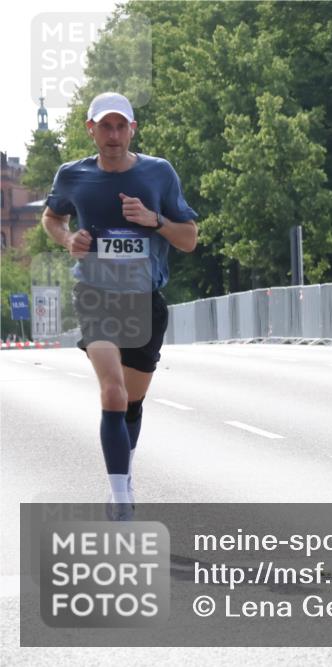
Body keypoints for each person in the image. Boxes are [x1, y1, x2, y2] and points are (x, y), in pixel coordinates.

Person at [41, 92, 198, 519]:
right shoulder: (72, 176)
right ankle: (120, 497)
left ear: (132, 129)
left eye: (120, 126)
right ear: (90, 129)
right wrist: (67, 239)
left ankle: (122, 474)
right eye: (104, 126)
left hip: (143, 301)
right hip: (94, 295)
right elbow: (53, 218)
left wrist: (155, 221)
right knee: (111, 391)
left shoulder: (158, 173)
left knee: (131, 402)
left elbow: (189, 240)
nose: (113, 135)